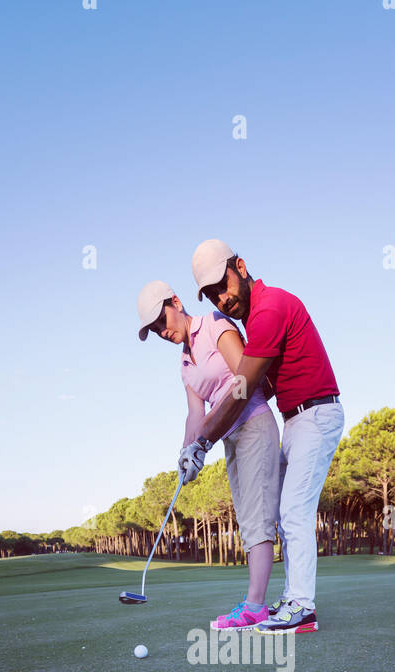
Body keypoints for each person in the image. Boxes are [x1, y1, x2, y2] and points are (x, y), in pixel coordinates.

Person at [178, 240, 343, 635]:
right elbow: (261, 386)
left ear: (241, 266)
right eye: (212, 293)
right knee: (286, 516)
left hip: (316, 414)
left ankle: (302, 608)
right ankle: (291, 600)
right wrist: (212, 426)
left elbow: (243, 387)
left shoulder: (269, 309)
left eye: (224, 284)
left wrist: (203, 440)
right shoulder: (256, 317)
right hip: (297, 418)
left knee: (293, 511)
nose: (222, 297)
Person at [136, 279, 280, 629]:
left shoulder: (214, 323)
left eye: (162, 320)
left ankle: (256, 606)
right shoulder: (185, 364)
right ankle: (257, 603)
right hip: (229, 438)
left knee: (260, 516)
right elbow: (195, 414)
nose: (161, 331)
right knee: (248, 520)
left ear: (176, 301)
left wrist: (205, 440)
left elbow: (245, 379)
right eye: (154, 329)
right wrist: (187, 451)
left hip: (256, 424)